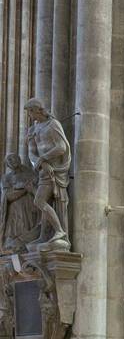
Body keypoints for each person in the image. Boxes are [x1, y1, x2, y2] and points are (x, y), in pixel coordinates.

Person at [23, 98, 71, 249]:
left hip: (55, 171)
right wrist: (41, 162)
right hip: (44, 170)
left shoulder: (53, 124)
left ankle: (60, 231)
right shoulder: (34, 129)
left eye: (30, 111)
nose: (29, 115)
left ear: (37, 110)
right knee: (45, 202)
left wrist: (44, 158)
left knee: (39, 201)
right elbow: (31, 153)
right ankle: (44, 235)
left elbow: (61, 147)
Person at [0, 152, 37, 251]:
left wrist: (27, 188)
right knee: (14, 232)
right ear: (7, 164)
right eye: (9, 160)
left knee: (28, 229)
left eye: (14, 158)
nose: (13, 161)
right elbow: (7, 197)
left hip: (30, 207)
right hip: (14, 210)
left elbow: (36, 191)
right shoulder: (6, 178)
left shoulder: (30, 173)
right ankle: (13, 248)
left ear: (19, 159)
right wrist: (25, 189)